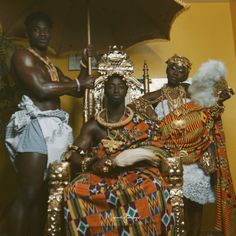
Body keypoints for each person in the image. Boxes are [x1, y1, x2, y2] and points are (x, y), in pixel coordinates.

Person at [63, 48, 176, 235]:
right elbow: (72, 153)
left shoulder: (140, 120)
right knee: (73, 190)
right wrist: (92, 163)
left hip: (135, 173)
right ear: (104, 91)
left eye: (120, 86)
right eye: (111, 86)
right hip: (102, 174)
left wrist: (133, 158)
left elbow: (158, 147)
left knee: (155, 185)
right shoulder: (93, 125)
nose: (116, 90)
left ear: (126, 91)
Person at [4, 12, 95, 236]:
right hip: (35, 126)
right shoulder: (23, 56)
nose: (43, 33)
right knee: (29, 192)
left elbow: (78, 90)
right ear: (29, 33)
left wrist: (85, 62)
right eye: (37, 29)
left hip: (55, 129)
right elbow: (41, 89)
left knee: (45, 193)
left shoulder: (49, 64)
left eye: (46, 29)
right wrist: (76, 82)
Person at [133, 55, 236, 236]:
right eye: (173, 68)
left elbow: (210, 109)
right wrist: (155, 118)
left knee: (195, 199)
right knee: (170, 197)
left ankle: (194, 233)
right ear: (167, 69)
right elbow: (137, 104)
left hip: (196, 151)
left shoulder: (191, 91)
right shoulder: (157, 95)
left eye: (181, 70)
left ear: (186, 74)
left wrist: (221, 98)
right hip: (169, 152)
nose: (176, 72)